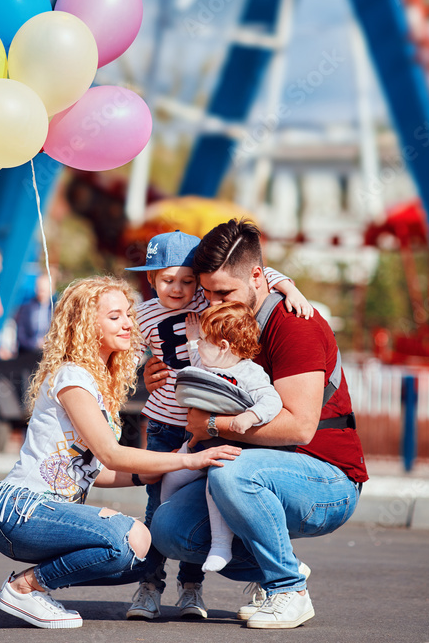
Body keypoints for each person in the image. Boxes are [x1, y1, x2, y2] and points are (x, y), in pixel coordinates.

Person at [0, 275, 242, 631]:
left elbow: (91, 469)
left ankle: (34, 586)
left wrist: (143, 474)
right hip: (20, 510)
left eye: (128, 315)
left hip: (43, 512)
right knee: (126, 536)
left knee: (143, 555)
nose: (128, 324)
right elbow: (110, 453)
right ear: (88, 324)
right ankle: (25, 588)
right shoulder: (73, 376)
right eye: (115, 316)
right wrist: (189, 460)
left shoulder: (96, 380)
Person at [148, 219, 368, 631]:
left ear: (257, 277)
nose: (211, 303)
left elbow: (299, 428)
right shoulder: (226, 316)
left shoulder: (293, 324)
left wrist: (213, 425)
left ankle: (287, 589)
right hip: (256, 469)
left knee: (232, 474)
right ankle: (281, 568)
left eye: (223, 293)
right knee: (168, 529)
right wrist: (153, 373)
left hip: (326, 479)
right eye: (206, 292)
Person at [124, 230, 312, 621]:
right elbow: (123, 354)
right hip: (166, 422)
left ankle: (192, 587)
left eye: (187, 280)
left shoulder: (206, 299)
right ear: (151, 278)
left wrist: (289, 287)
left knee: (208, 505)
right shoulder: (142, 315)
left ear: (198, 280)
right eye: (166, 279)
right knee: (157, 505)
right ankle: (148, 585)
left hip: (207, 426)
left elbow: (248, 271)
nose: (178, 289)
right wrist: (145, 372)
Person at [161, 301, 282, 574]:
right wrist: (194, 340)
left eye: (205, 341)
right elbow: (195, 362)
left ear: (224, 346)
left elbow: (271, 399)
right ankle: (161, 518)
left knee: (214, 489)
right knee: (171, 476)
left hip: (224, 451)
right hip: (195, 447)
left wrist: (249, 417)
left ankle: (220, 546)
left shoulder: (249, 373)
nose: (200, 346)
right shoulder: (207, 362)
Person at [14, 273, 53, 353]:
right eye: (40, 289)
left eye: (44, 290)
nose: (42, 293)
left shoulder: (55, 310)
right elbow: (20, 334)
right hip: (28, 353)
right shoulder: (25, 309)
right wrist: (34, 344)